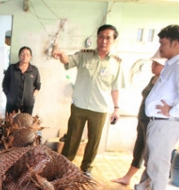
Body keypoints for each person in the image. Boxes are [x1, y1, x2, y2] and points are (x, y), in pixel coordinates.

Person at [127, 25, 179, 190]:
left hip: (166, 123)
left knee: (159, 164)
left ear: (175, 43)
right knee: (152, 160)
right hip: (158, 122)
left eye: (163, 43)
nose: (160, 47)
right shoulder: (172, 65)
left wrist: (173, 111)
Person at [53, 24, 125, 177]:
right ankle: (65, 166)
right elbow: (68, 60)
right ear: (97, 38)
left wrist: (117, 108)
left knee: (93, 141)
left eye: (108, 38)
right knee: (72, 137)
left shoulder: (116, 64)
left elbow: (115, 88)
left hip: (99, 109)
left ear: (114, 40)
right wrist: (61, 55)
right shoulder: (84, 55)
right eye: (101, 37)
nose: (103, 41)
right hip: (79, 105)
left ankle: (87, 168)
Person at [111, 52, 166, 185]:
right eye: (153, 63)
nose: (152, 66)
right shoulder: (153, 79)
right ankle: (128, 178)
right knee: (139, 149)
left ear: (165, 66)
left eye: (156, 64)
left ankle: (143, 187)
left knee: (149, 155)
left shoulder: (165, 82)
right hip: (143, 119)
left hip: (153, 122)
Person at [2, 46, 41, 115]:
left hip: (28, 104)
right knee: (9, 123)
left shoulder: (34, 70)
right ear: (19, 55)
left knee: (26, 124)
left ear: (30, 57)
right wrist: (8, 95)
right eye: (22, 54)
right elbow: (5, 83)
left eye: (27, 54)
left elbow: (37, 85)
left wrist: (33, 96)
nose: (25, 56)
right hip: (12, 102)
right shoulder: (12, 68)